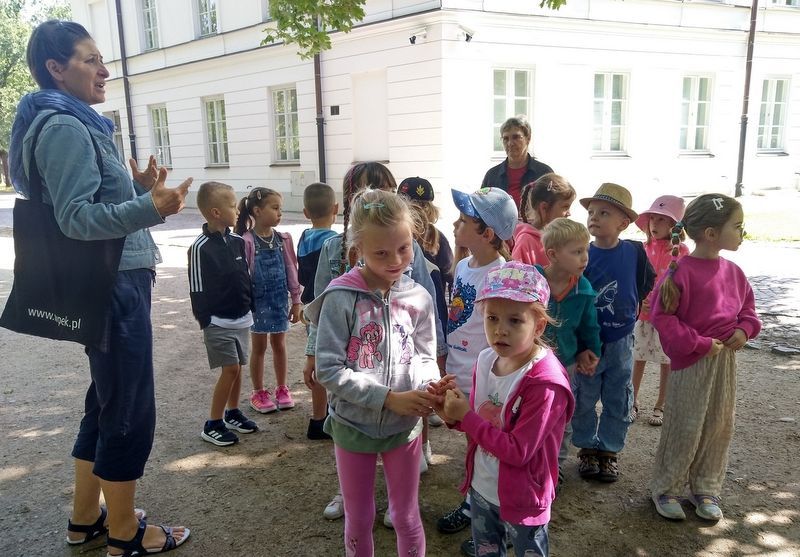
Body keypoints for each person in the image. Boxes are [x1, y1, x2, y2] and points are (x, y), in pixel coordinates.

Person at [9, 20, 190, 554]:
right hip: (114, 284)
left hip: (116, 279)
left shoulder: (74, 120)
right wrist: (149, 207)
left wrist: (134, 189)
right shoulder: (65, 126)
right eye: (90, 60)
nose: (104, 70)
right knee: (128, 406)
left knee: (106, 400)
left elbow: (91, 201)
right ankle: (125, 533)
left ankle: (86, 517)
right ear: (56, 68)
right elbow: (75, 219)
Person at [304, 188, 448, 557]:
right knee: (360, 517)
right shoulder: (340, 299)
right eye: (381, 253)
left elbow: (425, 356)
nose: (395, 260)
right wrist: (388, 399)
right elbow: (329, 370)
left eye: (403, 248)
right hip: (353, 426)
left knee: (406, 516)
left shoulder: (419, 298)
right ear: (358, 251)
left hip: (405, 428)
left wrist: (430, 387)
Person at [439, 262, 575, 557]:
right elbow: (479, 423)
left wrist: (466, 417)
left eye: (515, 320)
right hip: (482, 487)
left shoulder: (544, 384)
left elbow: (518, 451)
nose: (500, 330)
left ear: (539, 325)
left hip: (524, 496)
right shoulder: (485, 360)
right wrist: (447, 411)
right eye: (492, 318)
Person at [650, 194, 761, 522]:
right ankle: (667, 488)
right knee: (684, 427)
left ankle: (705, 488)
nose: (742, 232)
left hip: (724, 363)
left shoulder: (735, 272)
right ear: (711, 233)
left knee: (718, 426)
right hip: (691, 363)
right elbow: (663, 318)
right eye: (737, 226)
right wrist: (698, 343)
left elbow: (748, 310)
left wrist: (745, 330)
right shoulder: (679, 272)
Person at [438, 187, 517, 545]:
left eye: (463, 221)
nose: (455, 225)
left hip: (484, 377)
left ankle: (491, 514)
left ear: (486, 233)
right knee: (474, 444)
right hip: (460, 369)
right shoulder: (463, 266)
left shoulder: (501, 274)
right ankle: (477, 504)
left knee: (487, 445)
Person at [572, 183, 655, 483]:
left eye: (604, 213)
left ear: (623, 223)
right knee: (584, 396)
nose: (594, 217)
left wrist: (632, 306)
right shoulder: (582, 253)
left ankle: (608, 450)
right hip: (589, 343)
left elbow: (646, 280)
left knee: (618, 396)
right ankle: (586, 447)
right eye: (592, 212)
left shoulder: (634, 252)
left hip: (621, 339)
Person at [189, 182, 259, 447]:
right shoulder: (200, 248)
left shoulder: (237, 242)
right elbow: (196, 287)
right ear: (216, 212)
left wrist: (250, 305)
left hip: (242, 318)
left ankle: (232, 412)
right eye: (232, 205)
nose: (238, 210)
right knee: (230, 368)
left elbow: (245, 276)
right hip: (217, 321)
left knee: (237, 367)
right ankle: (213, 423)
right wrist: (205, 319)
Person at [537, 218, 601, 489]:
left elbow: (589, 325)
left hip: (565, 365)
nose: (584, 257)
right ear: (552, 254)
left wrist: (591, 350)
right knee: (530, 413)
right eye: (576, 251)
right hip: (531, 363)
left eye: (586, 250)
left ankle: (555, 464)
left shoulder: (583, 290)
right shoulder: (533, 279)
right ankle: (531, 458)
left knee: (561, 417)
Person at [235, 188, 302, 414]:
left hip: (279, 300)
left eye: (280, 208)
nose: (280, 213)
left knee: (279, 344)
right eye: (275, 208)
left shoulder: (284, 239)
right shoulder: (246, 241)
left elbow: (291, 270)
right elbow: (243, 276)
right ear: (257, 211)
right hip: (258, 304)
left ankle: (282, 388)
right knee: (259, 347)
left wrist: (296, 301)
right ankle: (258, 391)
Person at [631, 195, 689, 427]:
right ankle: (632, 401)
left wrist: (666, 303)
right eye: (652, 218)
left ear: (674, 225)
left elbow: (683, 285)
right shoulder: (642, 249)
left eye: (662, 219)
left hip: (667, 318)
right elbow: (636, 280)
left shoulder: (681, 252)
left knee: (667, 361)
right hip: (644, 316)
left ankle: (661, 404)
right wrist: (640, 300)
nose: (654, 223)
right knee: (638, 358)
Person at [297, 182, 339, 440]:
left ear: (305, 212)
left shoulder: (303, 238)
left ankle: (318, 416)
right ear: (336, 208)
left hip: (310, 306)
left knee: (317, 362)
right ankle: (330, 417)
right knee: (333, 362)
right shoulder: (334, 242)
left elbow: (302, 275)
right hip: (328, 308)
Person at [481, 115, 554, 209]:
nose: (510, 143)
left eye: (516, 137)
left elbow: (554, 208)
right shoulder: (492, 176)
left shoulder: (544, 173)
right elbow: (482, 208)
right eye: (505, 139)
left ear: (528, 139)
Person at [398, 176, 455, 295]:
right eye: (413, 205)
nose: (417, 211)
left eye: (422, 206)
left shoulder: (437, 238)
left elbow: (451, 274)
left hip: (431, 301)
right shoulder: (394, 236)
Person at [512, 173, 576, 266]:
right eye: (565, 207)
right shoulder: (526, 241)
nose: (569, 213)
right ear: (544, 208)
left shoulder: (561, 238)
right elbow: (516, 273)